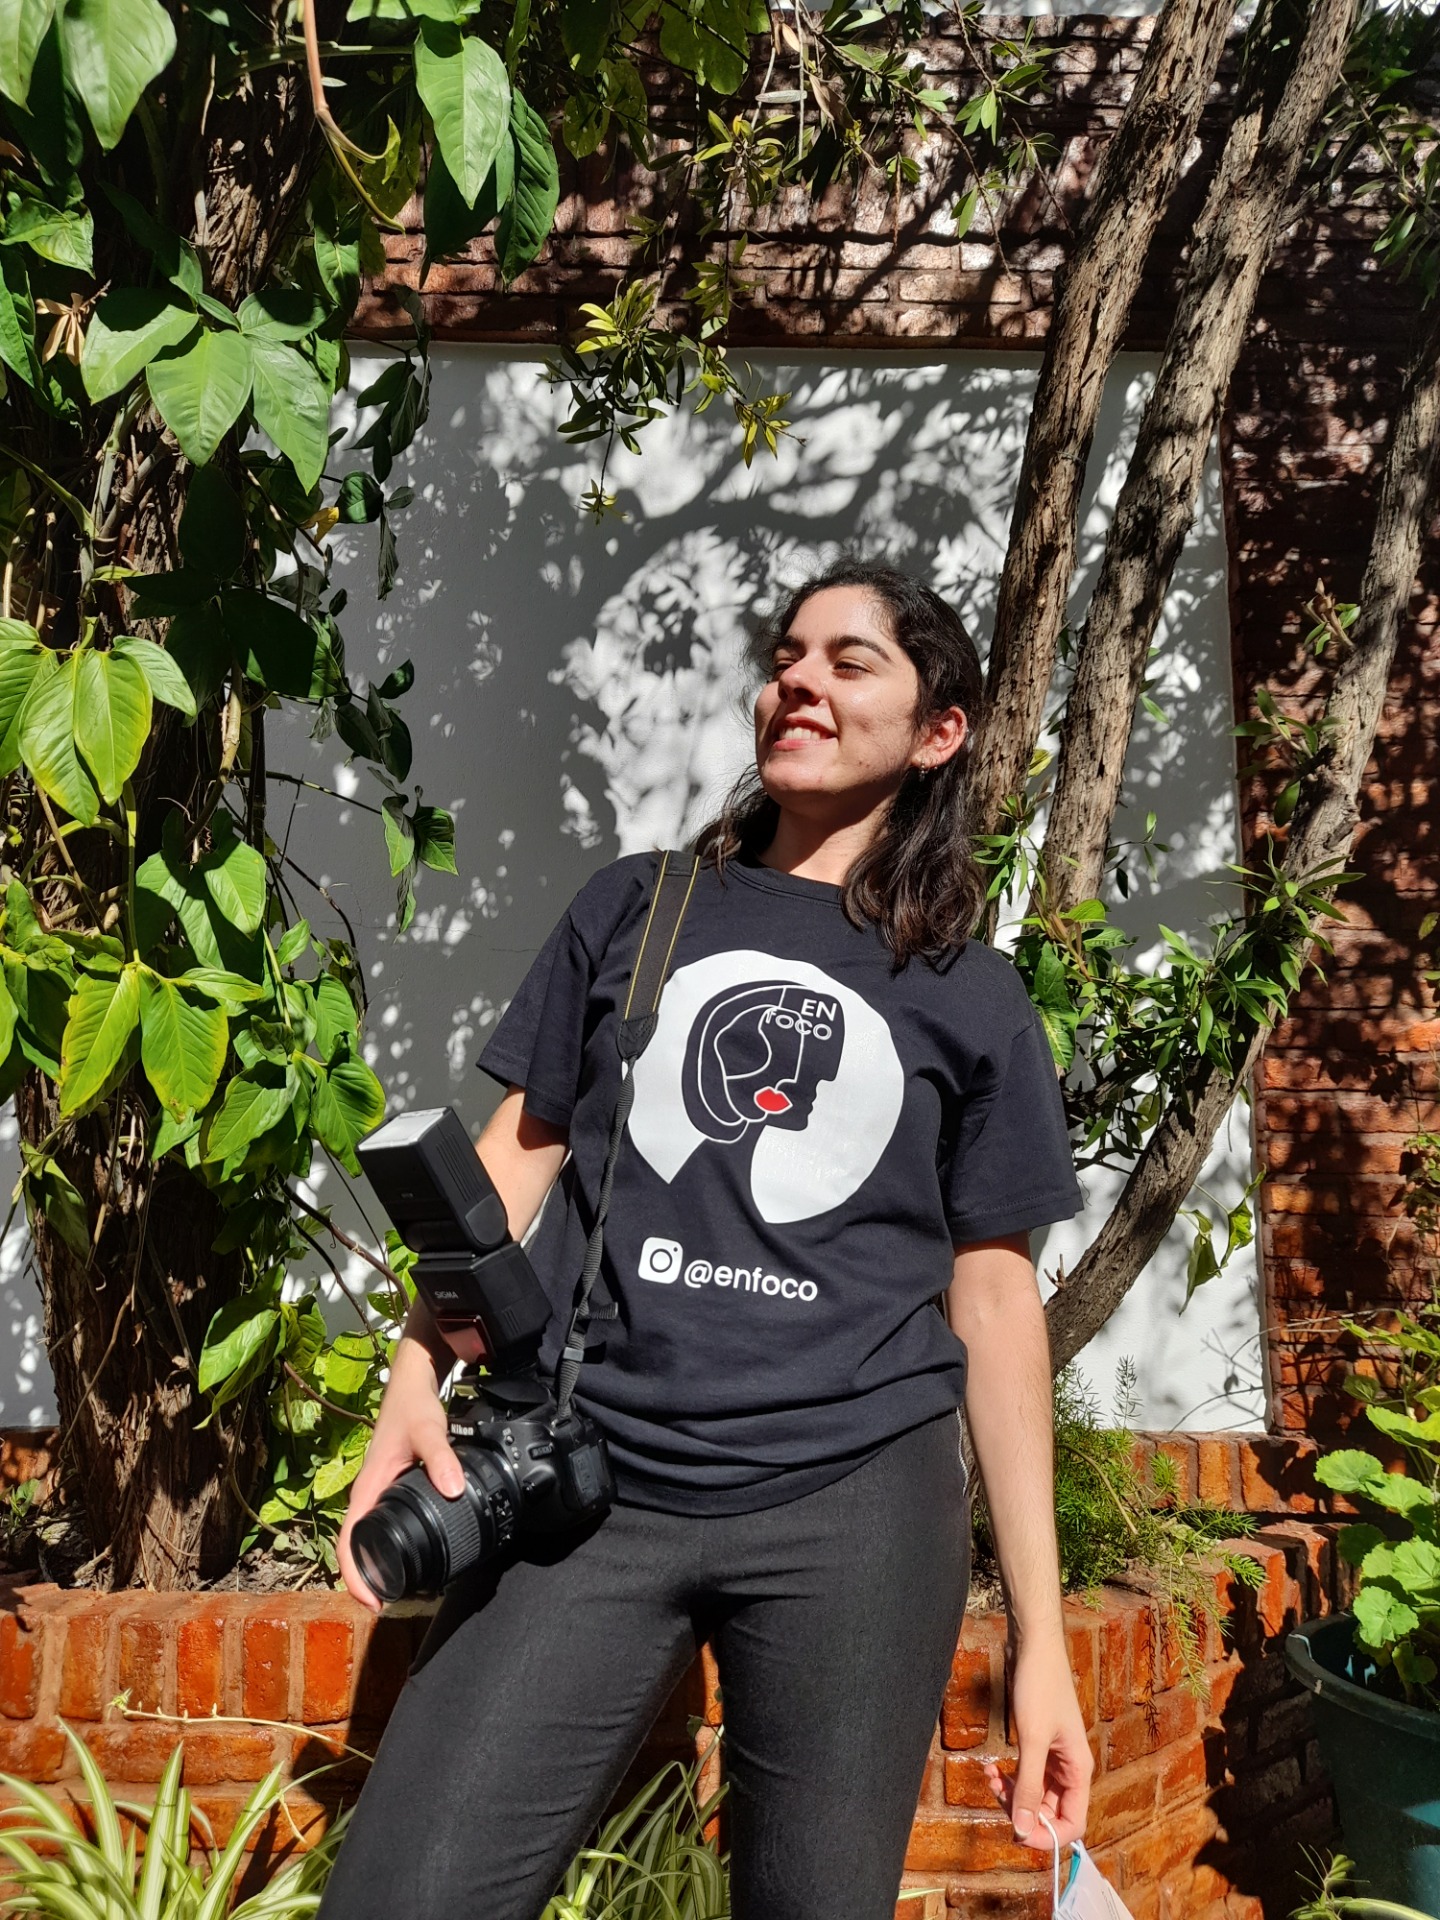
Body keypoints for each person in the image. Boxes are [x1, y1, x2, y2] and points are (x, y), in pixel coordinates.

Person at [320, 557, 1093, 1920]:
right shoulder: (639, 907)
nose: (800, 681)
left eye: (850, 661)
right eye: (787, 657)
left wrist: (1042, 1638)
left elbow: (995, 1300)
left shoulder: (969, 993)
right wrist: (415, 1367)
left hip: (856, 1512)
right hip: (592, 1483)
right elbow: (514, 1157)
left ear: (938, 732)